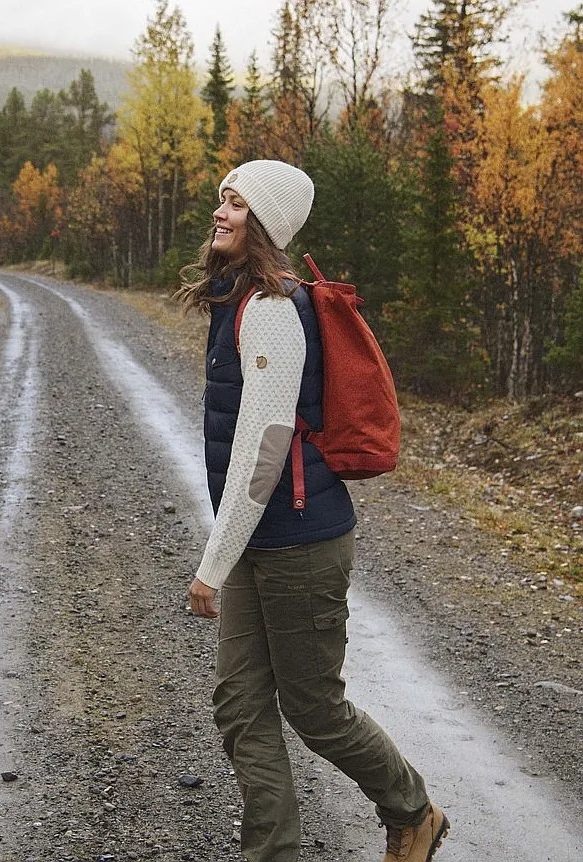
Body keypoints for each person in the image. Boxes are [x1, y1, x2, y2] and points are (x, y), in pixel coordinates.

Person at [176, 160, 448, 862]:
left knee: (314, 710)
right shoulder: (238, 299)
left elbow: (264, 452)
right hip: (261, 543)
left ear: (264, 222)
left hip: (301, 545)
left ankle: (413, 811)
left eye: (235, 204)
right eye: (221, 200)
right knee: (240, 708)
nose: (221, 212)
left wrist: (212, 562)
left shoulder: (269, 310)